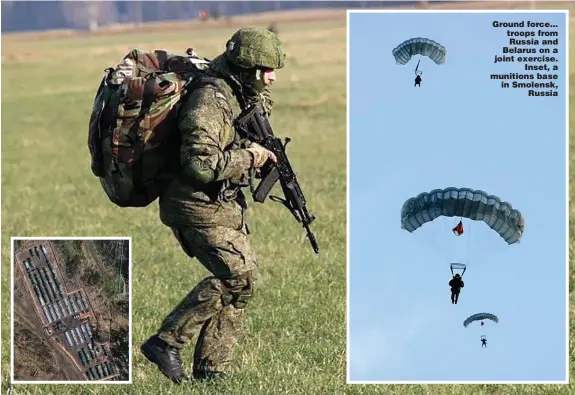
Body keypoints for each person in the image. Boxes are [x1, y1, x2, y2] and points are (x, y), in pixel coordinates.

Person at [140, 27, 286, 384]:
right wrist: (250, 157)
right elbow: (200, 164)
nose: (273, 76)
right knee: (236, 276)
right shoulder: (211, 99)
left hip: (221, 204)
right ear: (250, 68)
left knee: (243, 284)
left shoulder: (241, 93)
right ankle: (165, 342)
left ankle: (212, 371)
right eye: (267, 69)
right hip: (192, 204)